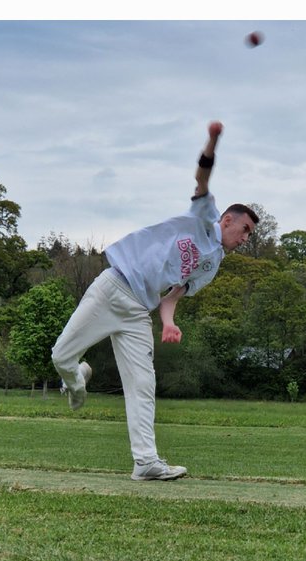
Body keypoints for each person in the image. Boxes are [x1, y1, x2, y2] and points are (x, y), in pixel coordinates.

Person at [51, 120, 257, 481]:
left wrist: (169, 321)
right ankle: (76, 379)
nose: (246, 239)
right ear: (227, 221)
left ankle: (146, 462)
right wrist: (212, 140)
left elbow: (172, 296)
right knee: (60, 356)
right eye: (245, 230)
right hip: (113, 286)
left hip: (136, 311)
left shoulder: (211, 267)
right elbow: (202, 178)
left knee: (143, 385)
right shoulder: (204, 218)